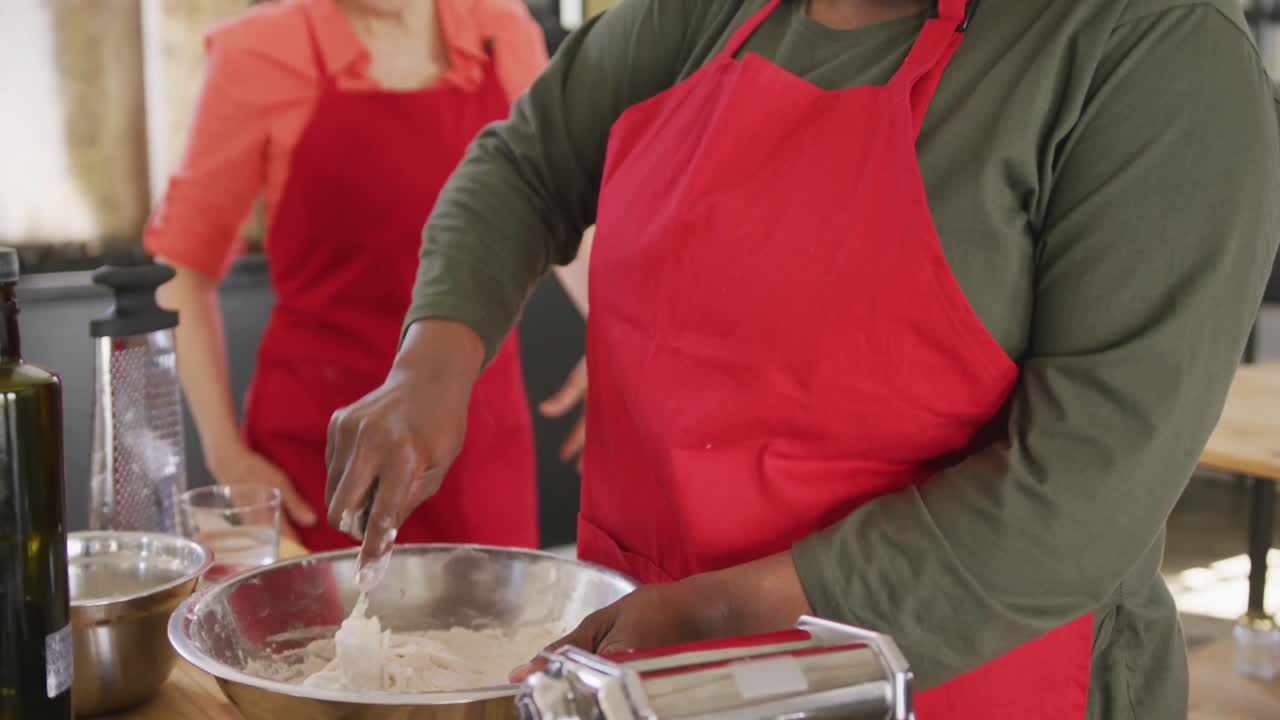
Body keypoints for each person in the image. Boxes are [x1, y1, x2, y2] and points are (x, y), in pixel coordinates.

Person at [325, 0, 1280, 716]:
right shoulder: (709, 13)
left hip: (955, 683)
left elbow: (1080, 500)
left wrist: (717, 617)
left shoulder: (1154, 51)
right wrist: (432, 362)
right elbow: (525, 167)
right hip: (657, 675)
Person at [144, 0, 587, 551]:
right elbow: (183, 268)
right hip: (323, 468)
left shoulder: (501, 30)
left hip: (480, 462)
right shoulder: (259, 52)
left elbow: (559, 206)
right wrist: (226, 456)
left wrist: (621, 348)